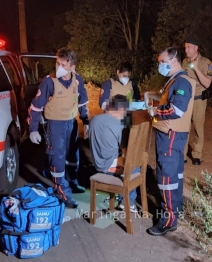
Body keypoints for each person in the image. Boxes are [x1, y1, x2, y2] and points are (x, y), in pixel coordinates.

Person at [28, 47, 90, 208]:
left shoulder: (78, 80)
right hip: (55, 125)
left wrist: (86, 121)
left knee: (73, 158)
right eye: (57, 63)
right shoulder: (49, 82)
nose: (59, 67)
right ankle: (62, 192)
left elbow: (83, 102)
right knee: (58, 159)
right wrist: (33, 129)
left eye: (63, 64)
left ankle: (73, 182)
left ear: (72, 66)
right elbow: (35, 107)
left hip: (72, 124)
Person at [146, 47, 196, 236]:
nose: (160, 65)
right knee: (175, 175)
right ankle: (176, 210)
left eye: (162, 61)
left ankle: (168, 220)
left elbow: (177, 110)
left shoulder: (181, 81)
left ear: (173, 61)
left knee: (166, 177)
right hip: (172, 133)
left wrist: (155, 111)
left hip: (171, 134)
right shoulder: (175, 80)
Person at [89, 94, 139, 212]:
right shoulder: (118, 125)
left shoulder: (94, 119)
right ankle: (128, 201)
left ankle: (119, 196)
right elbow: (125, 150)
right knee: (136, 165)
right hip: (109, 166)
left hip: (97, 163)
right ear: (122, 109)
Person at [182, 36, 212, 165]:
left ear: (196, 48)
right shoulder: (184, 62)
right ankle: (182, 154)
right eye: (185, 47)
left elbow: (207, 83)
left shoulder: (206, 63)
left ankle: (196, 155)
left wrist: (196, 68)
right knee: (184, 127)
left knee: (198, 128)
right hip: (185, 100)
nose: (186, 50)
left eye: (189, 47)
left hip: (199, 100)